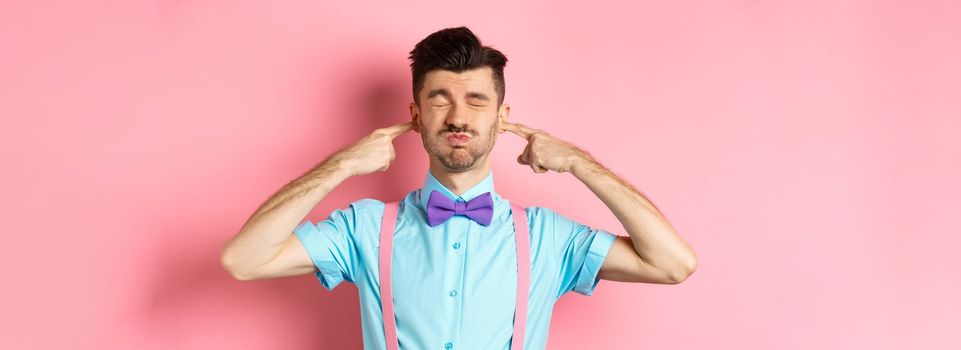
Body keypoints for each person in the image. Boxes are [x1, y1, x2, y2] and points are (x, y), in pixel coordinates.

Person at [220, 26, 697, 349]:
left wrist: (580, 164)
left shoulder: (549, 237)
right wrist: (342, 165)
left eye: (476, 100)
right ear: (416, 114)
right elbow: (243, 260)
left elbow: (673, 264)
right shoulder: (363, 228)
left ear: (501, 117)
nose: (458, 118)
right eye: (439, 99)